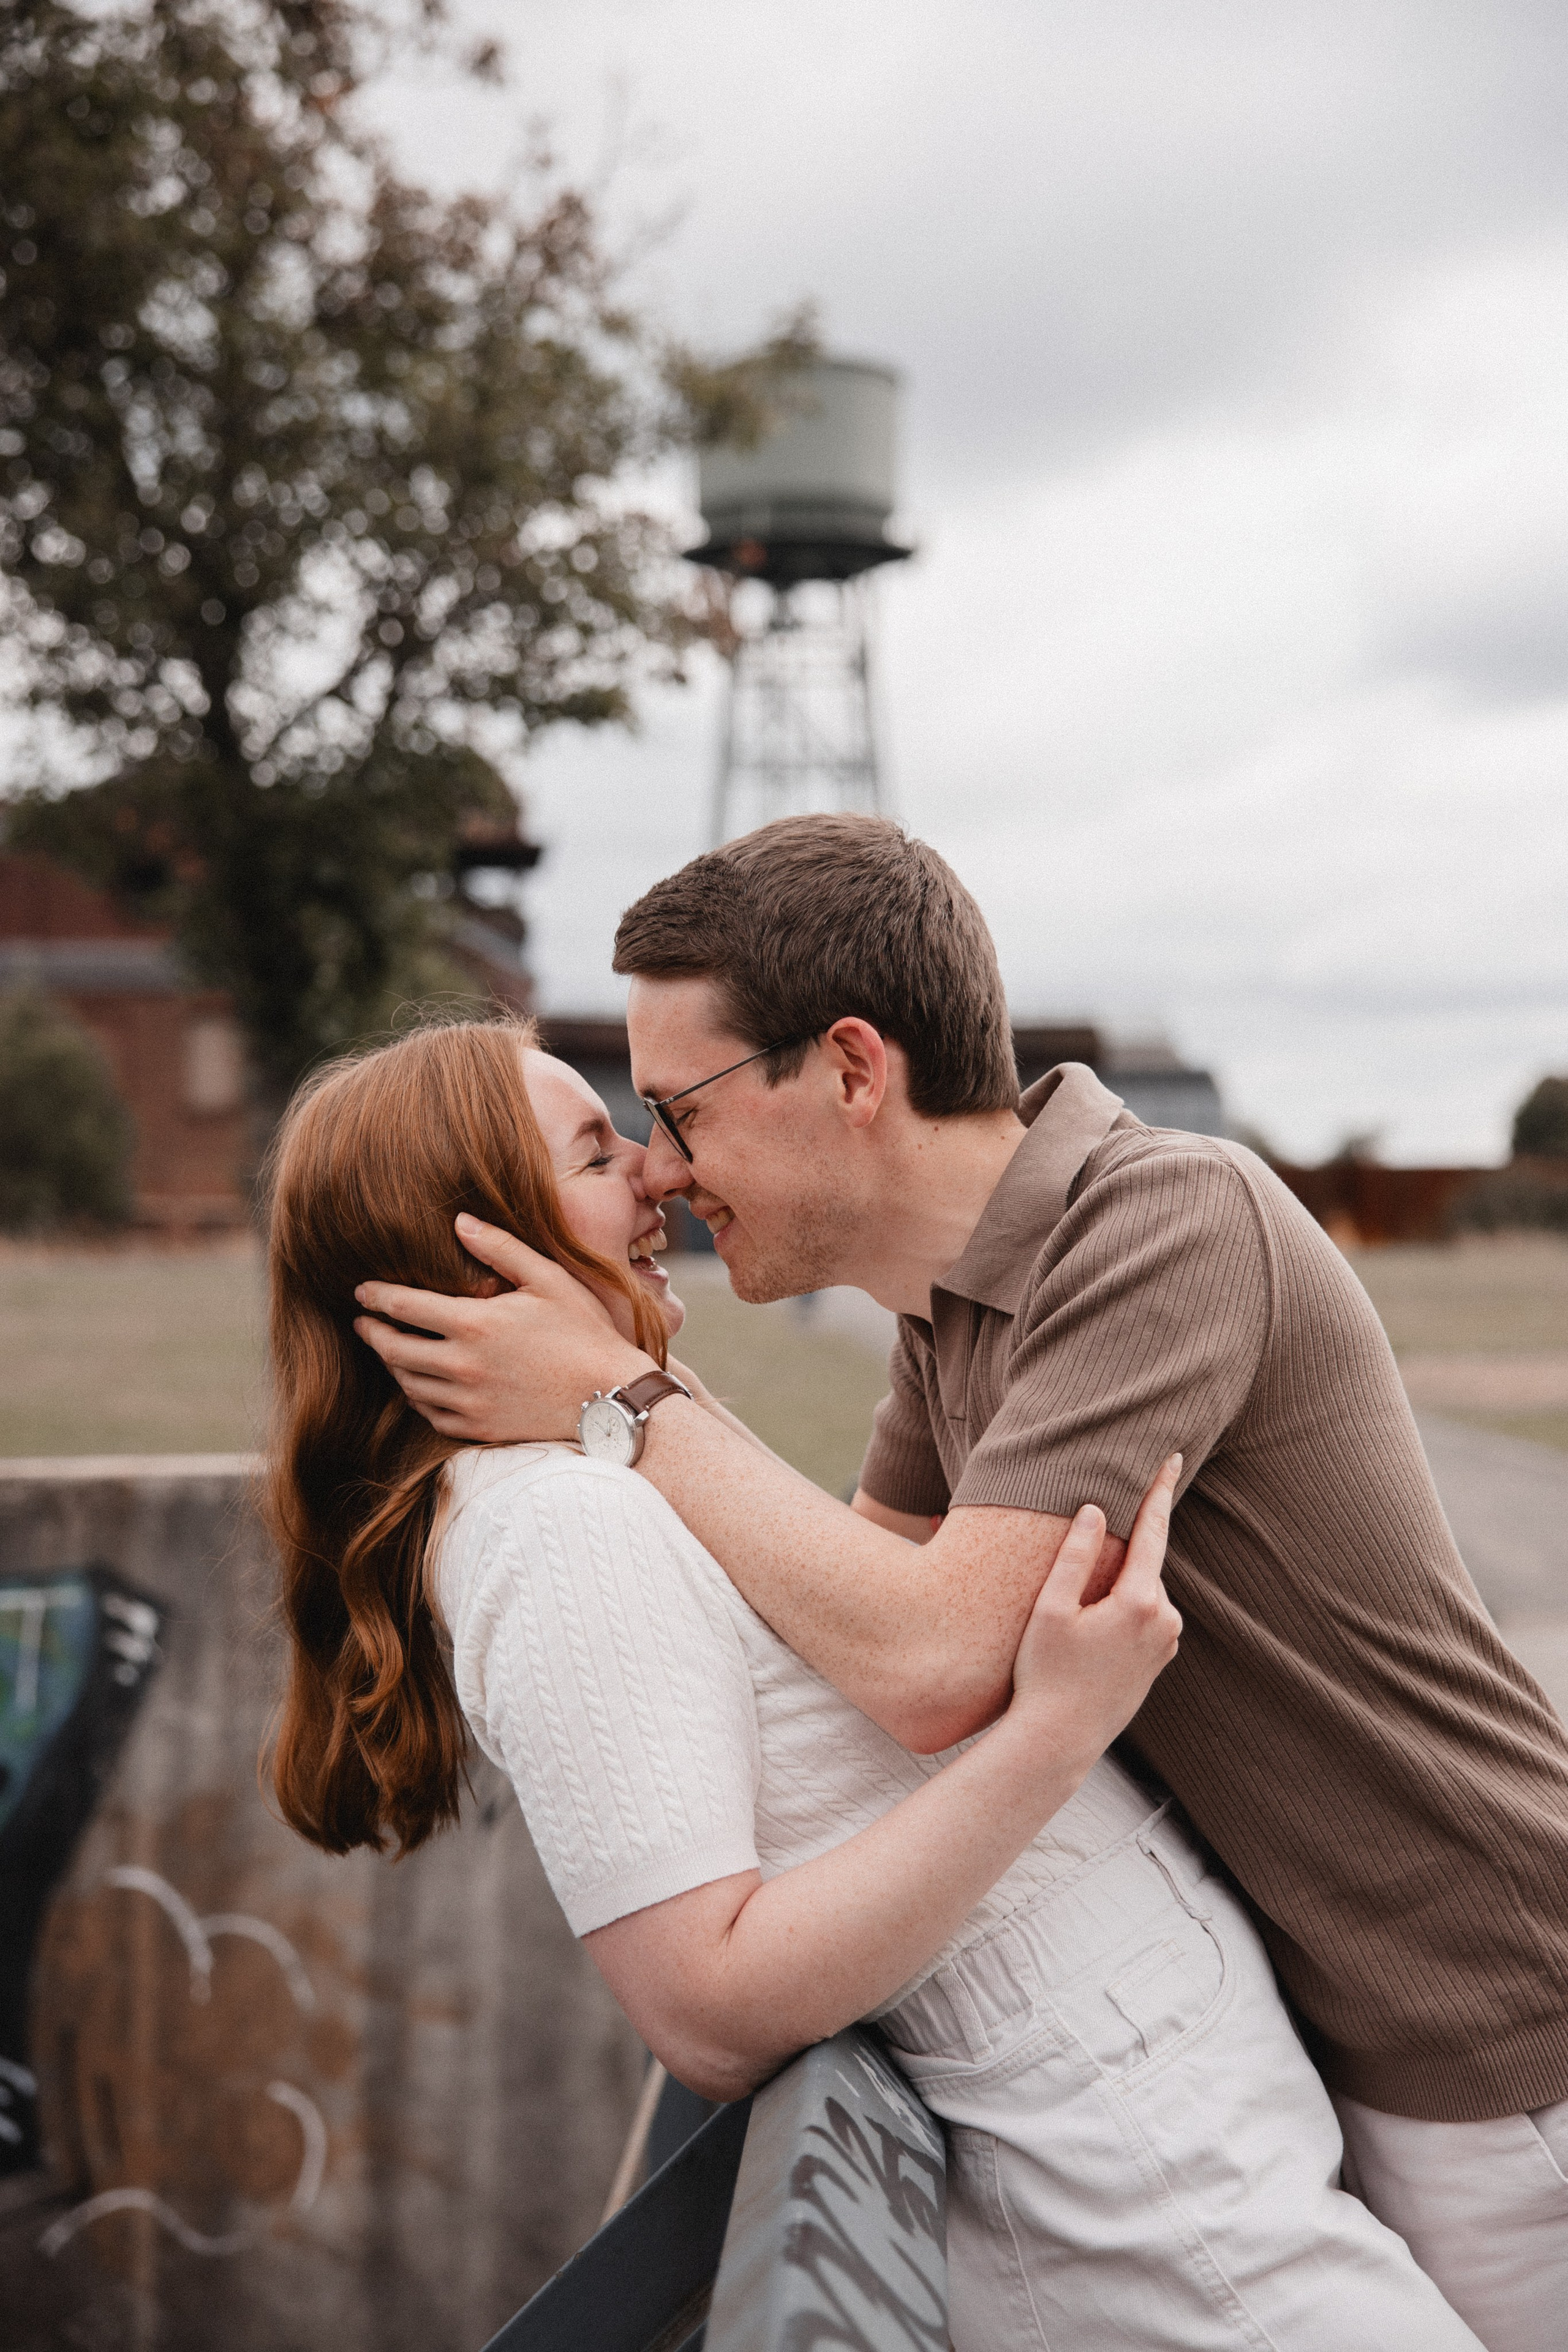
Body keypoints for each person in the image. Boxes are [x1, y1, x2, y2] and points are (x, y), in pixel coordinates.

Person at [356, 818, 1568, 2352]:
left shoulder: (1162, 1221)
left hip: (1495, 2040)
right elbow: (844, 1627)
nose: (662, 1165)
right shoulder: (951, 1321)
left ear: (853, 1068)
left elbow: (931, 1663)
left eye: (675, 1109)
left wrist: (620, 1397)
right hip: (1360, 2042)